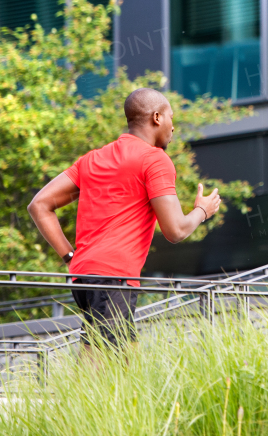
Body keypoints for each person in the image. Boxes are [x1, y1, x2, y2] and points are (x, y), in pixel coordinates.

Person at [28, 87, 221, 348]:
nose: (173, 127)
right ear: (156, 118)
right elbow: (175, 230)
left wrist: (69, 258)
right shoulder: (155, 160)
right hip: (113, 276)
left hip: (83, 277)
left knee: (105, 355)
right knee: (113, 363)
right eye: (171, 118)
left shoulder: (93, 159)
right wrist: (203, 210)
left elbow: (39, 205)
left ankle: (77, 391)